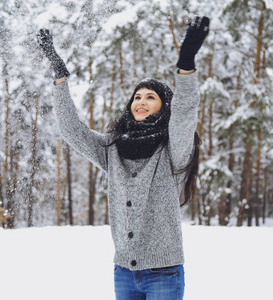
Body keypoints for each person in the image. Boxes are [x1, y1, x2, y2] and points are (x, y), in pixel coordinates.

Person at [37, 15, 209, 300]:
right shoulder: (113, 148)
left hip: (163, 273)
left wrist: (186, 64)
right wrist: (59, 77)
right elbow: (72, 131)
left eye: (150, 97)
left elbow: (185, 113)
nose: (140, 101)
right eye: (137, 97)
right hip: (124, 273)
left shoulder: (173, 150)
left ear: (163, 106)